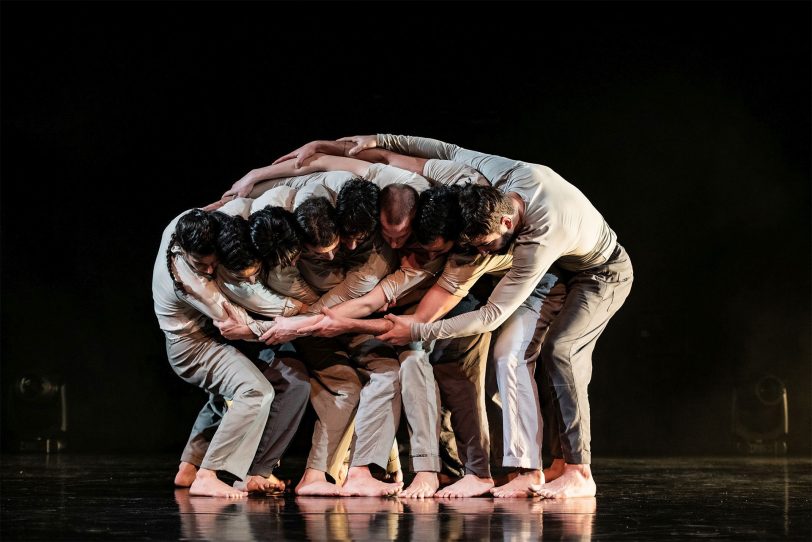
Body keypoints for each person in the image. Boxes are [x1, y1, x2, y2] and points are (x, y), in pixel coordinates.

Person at [288, 134, 634, 498]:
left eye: (485, 245)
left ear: (505, 221)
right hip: (555, 275)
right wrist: (369, 140)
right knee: (509, 354)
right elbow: (435, 153)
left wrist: (417, 327)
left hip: (600, 272)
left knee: (561, 351)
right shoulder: (499, 177)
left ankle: (579, 470)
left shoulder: (539, 239)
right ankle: (526, 471)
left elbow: (491, 315)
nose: (481, 252)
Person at [152, 208, 310, 498]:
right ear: (184, 250)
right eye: (202, 264)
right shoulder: (191, 283)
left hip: (204, 335)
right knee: (255, 391)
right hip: (192, 347)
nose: (210, 271)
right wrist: (303, 313)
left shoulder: (181, 221)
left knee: (234, 385)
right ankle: (209, 474)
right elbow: (242, 324)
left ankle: (189, 467)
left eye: (214, 263)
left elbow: (225, 205)